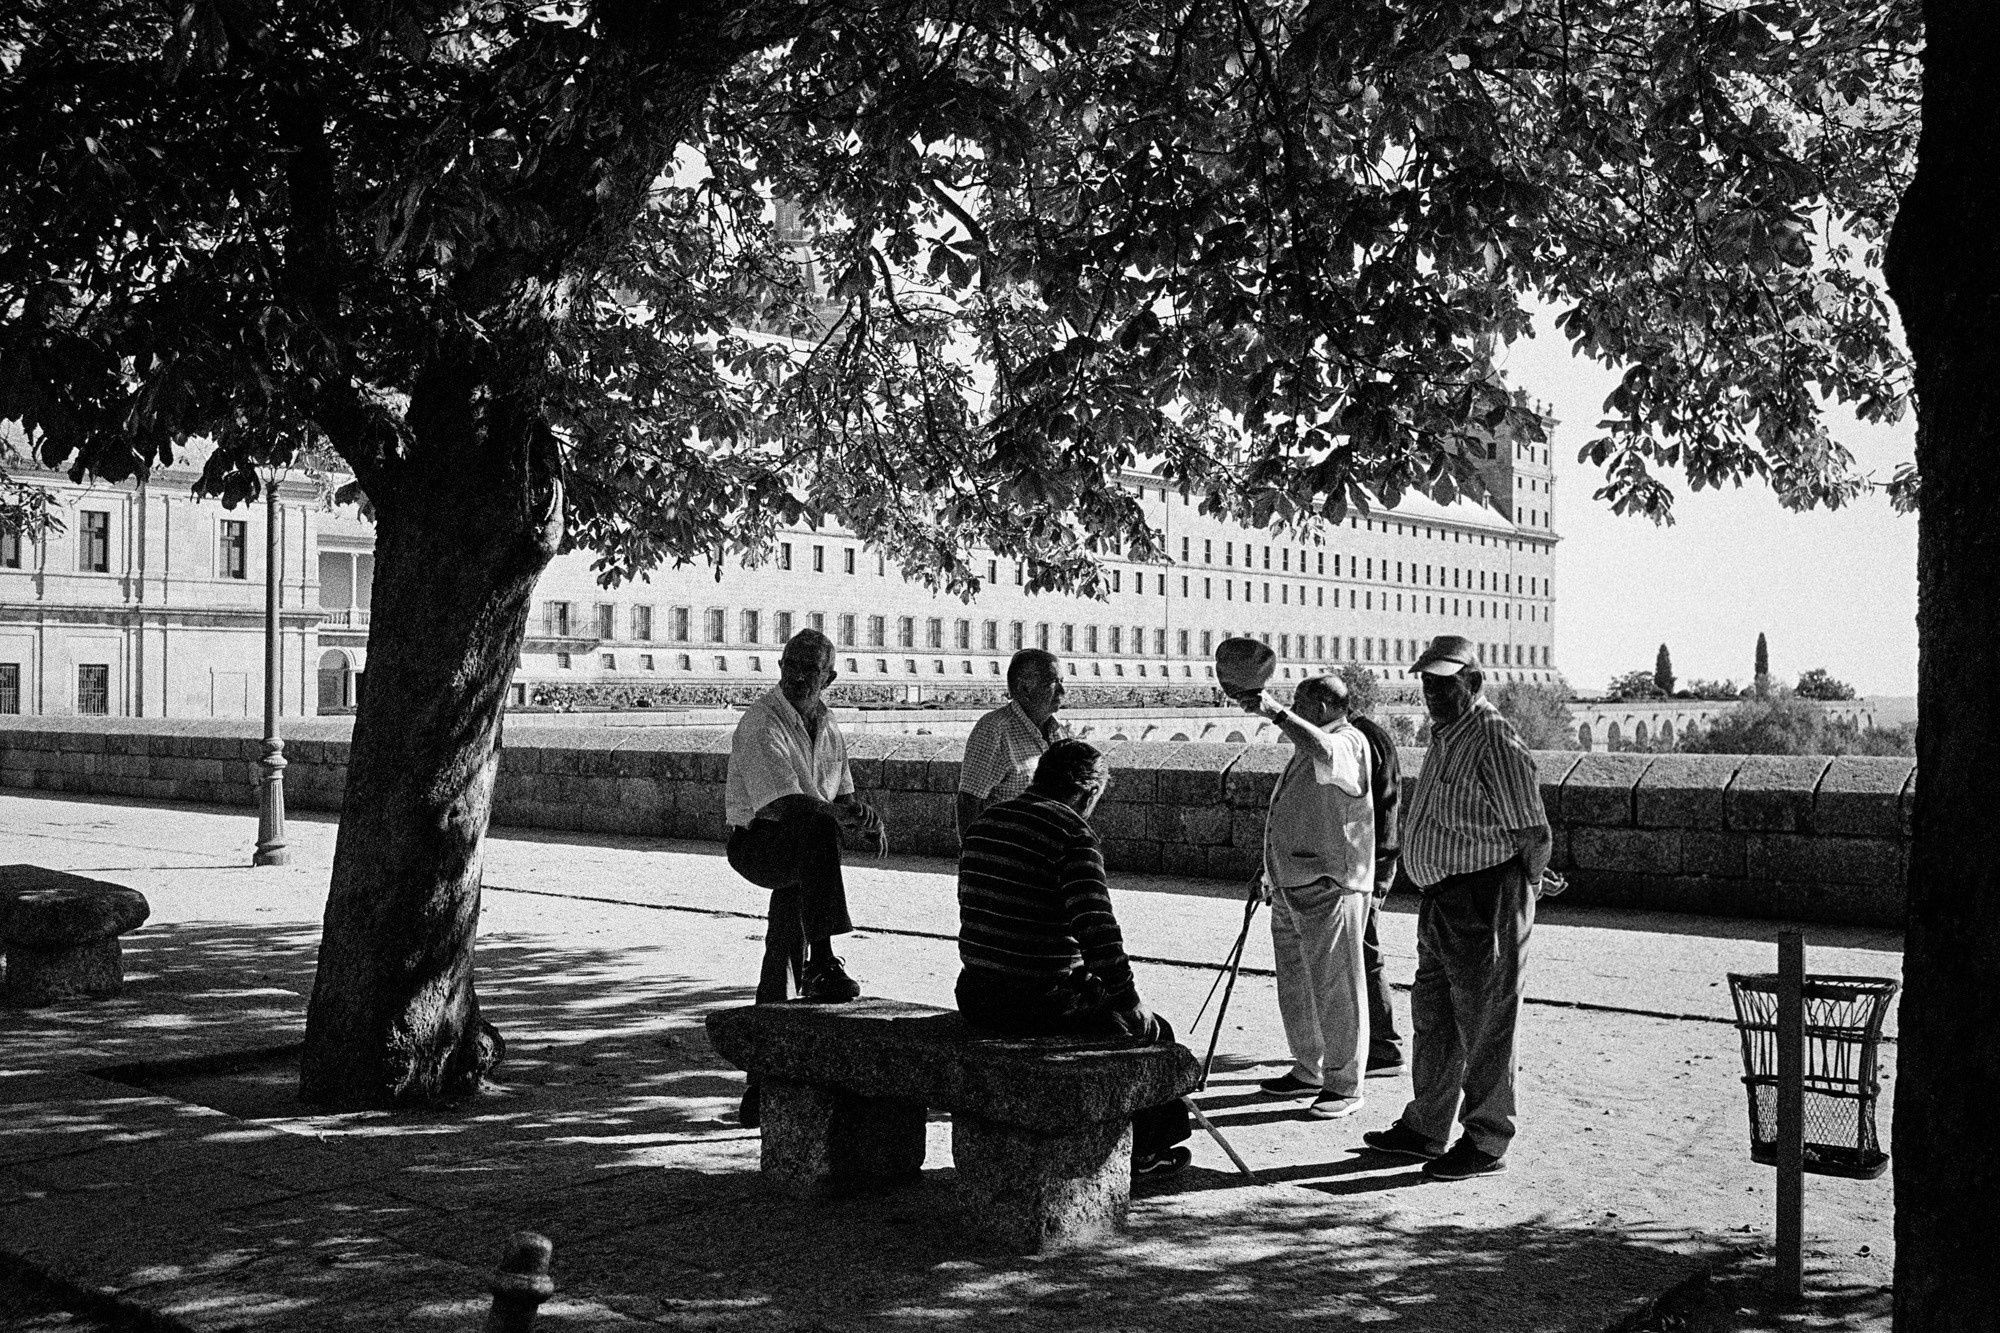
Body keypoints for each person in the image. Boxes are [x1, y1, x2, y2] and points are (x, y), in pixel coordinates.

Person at [955, 738, 1194, 1178]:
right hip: (1036, 1001)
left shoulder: (987, 821)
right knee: (1149, 1032)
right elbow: (1096, 928)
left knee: (1106, 1009)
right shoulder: (1072, 834)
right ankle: (1148, 1151)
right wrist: (1127, 999)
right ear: (1090, 792)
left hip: (976, 992)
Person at [1363, 634, 1551, 1181]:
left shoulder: (1493, 737)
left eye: (1444, 684)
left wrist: (1523, 889)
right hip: (1443, 897)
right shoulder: (1449, 733)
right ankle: (1426, 1125)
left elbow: (1533, 833)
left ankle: (1487, 1139)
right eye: (1427, 682)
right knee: (1435, 1016)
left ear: (1473, 681)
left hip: (1484, 895)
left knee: (1487, 1021)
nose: (1432, 693)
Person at [725, 629, 883, 1126]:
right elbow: (785, 803)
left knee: (780, 953)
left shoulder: (828, 724)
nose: (797, 676)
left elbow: (840, 796)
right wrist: (837, 816)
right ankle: (824, 959)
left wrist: (862, 815)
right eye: (790, 665)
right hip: (759, 843)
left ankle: (761, 1087)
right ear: (779, 666)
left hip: (806, 850)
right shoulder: (762, 722)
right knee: (816, 827)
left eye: (809, 669)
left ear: (828, 678)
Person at [1241, 676, 1376, 1119]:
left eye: (1299, 702)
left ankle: (1345, 1084)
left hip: (1329, 883)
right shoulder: (1310, 741)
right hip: (1292, 880)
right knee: (1297, 986)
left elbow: (1324, 751)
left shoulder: (1349, 741)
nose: (1293, 708)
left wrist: (1274, 711)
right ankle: (1309, 1068)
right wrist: (1268, 869)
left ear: (1321, 707)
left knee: (1338, 989)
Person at [1346, 704, 1407, 1077]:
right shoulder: (1372, 734)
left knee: (1363, 951)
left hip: (1369, 860)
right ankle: (1374, 1043)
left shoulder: (1357, 739)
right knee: (1362, 949)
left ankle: (1384, 1047)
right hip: (1378, 856)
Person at [956, 648, 1068, 842]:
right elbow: (968, 801)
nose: (1062, 691)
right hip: (1004, 852)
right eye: (1052, 682)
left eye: (1062, 681)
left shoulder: (1057, 732)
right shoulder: (994, 730)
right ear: (1024, 688)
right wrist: (971, 854)